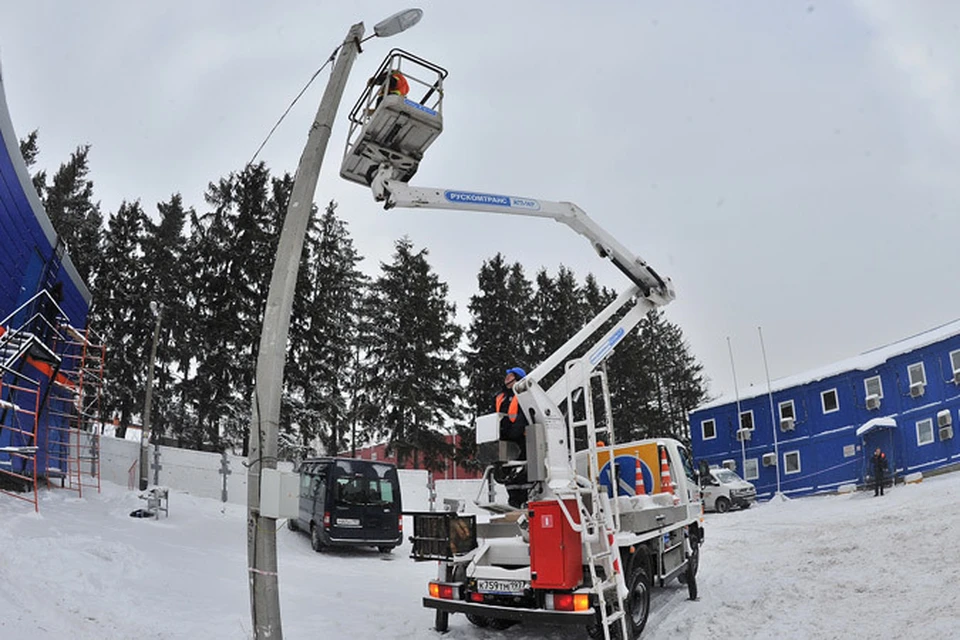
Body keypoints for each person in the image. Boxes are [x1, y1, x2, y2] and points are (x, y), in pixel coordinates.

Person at [495, 367, 529, 508]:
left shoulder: (524, 396)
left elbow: (523, 417)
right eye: (507, 377)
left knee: (522, 469)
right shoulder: (500, 397)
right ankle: (513, 499)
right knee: (508, 471)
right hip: (504, 439)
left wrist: (515, 431)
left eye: (510, 376)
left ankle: (525, 499)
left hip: (521, 439)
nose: (507, 379)